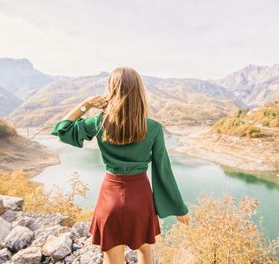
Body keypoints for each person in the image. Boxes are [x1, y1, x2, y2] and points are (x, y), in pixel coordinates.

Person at [50, 67, 190, 264]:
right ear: (139, 92)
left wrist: (87, 104)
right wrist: (179, 207)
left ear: (111, 91)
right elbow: (163, 170)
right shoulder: (154, 128)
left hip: (110, 198)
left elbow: (62, 130)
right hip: (141, 199)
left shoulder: (100, 122)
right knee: (144, 251)